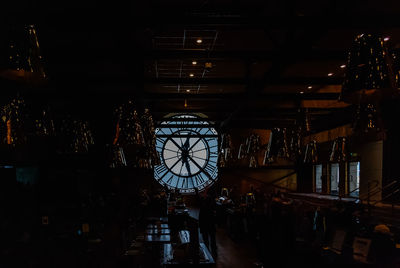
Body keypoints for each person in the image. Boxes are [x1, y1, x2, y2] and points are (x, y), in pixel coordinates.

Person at [198, 190, 218, 258]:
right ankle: (214, 254)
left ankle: (207, 254)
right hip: (210, 221)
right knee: (212, 238)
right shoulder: (211, 200)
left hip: (204, 221)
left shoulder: (202, 200)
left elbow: (201, 211)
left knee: (206, 238)